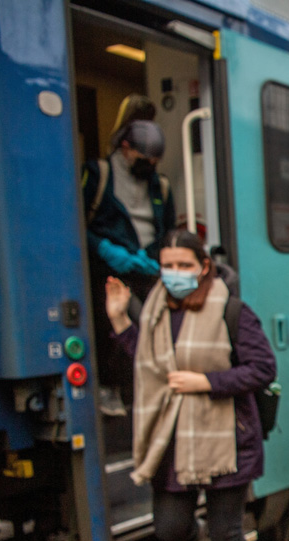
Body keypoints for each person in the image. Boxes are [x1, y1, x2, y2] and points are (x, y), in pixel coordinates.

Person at [105, 230, 276, 541]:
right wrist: (120, 321)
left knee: (227, 533)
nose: (175, 273)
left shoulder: (232, 311)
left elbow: (263, 369)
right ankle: (188, 537)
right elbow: (149, 365)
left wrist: (207, 382)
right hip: (173, 439)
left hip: (226, 441)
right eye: (168, 266)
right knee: (168, 527)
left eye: (184, 265)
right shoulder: (156, 312)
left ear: (203, 267)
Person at [84, 119, 177, 413]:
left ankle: (144, 389)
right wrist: (103, 248)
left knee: (153, 328)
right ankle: (110, 387)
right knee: (116, 325)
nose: (150, 165)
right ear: (125, 148)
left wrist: (157, 258)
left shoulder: (160, 186)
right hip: (109, 269)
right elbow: (75, 222)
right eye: (144, 159)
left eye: (155, 161)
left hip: (147, 270)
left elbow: (168, 231)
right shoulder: (98, 175)